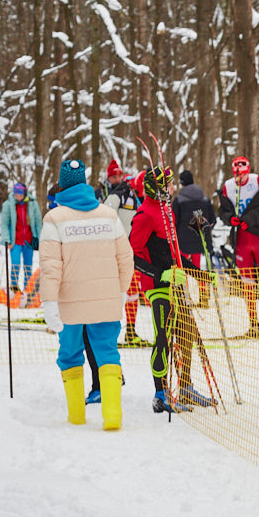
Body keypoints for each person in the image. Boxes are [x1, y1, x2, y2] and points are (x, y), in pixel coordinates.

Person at [38, 160, 134, 430]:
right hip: (105, 301)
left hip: (69, 305)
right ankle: (113, 416)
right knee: (107, 352)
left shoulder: (54, 219)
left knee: (70, 354)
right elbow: (126, 259)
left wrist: (49, 302)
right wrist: (119, 291)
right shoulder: (108, 215)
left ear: (63, 183)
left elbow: (50, 267)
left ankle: (77, 416)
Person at [130, 166, 213, 413]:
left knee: (187, 334)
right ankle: (160, 393)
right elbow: (131, 254)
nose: (173, 188)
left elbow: (174, 254)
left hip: (176, 283)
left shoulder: (167, 210)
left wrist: (201, 275)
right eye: (168, 184)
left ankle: (185, 386)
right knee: (163, 338)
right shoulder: (144, 214)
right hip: (157, 286)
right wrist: (159, 273)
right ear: (157, 188)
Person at [218, 155, 259, 337]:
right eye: (237, 175)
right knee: (247, 283)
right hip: (241, 239)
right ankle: (253, 323)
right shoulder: (227, 187)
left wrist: (250, 219)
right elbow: (223, 211)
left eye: (242, 175)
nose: (240, 179)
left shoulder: (257, 181)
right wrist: (229, 219)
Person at [97, 159, 145, 347]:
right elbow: (103, 221)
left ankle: (131, 331)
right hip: (112, 252)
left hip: (133, 252)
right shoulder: (112, 195)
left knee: (133, 292)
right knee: (110, 292)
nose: (116, 178)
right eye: (113, 175)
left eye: (119, 175)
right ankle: (103, 333)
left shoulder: (132, 195)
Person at [172, 169, 217, 309]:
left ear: (182, 183)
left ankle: (185, 297)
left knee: (184, 267)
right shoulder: (205, 199)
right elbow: (212, 220)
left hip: (183, 240)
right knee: (197, 268)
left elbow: (174, 221)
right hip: (200, 240)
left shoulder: (178, 200)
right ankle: (203, 296)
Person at [0, 182, 42, 303]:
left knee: (28, 266)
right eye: (16, 194)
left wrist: (40, 238)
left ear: (24, 193)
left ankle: (28, 289)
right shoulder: (8, 205)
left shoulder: (33, 203)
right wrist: (7, 240)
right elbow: (4, 224)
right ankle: (14, 287)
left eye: (20, 194)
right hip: (15, 241)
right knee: (15, 264)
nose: (17, 196)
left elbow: (38, 222)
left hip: (29, 240)